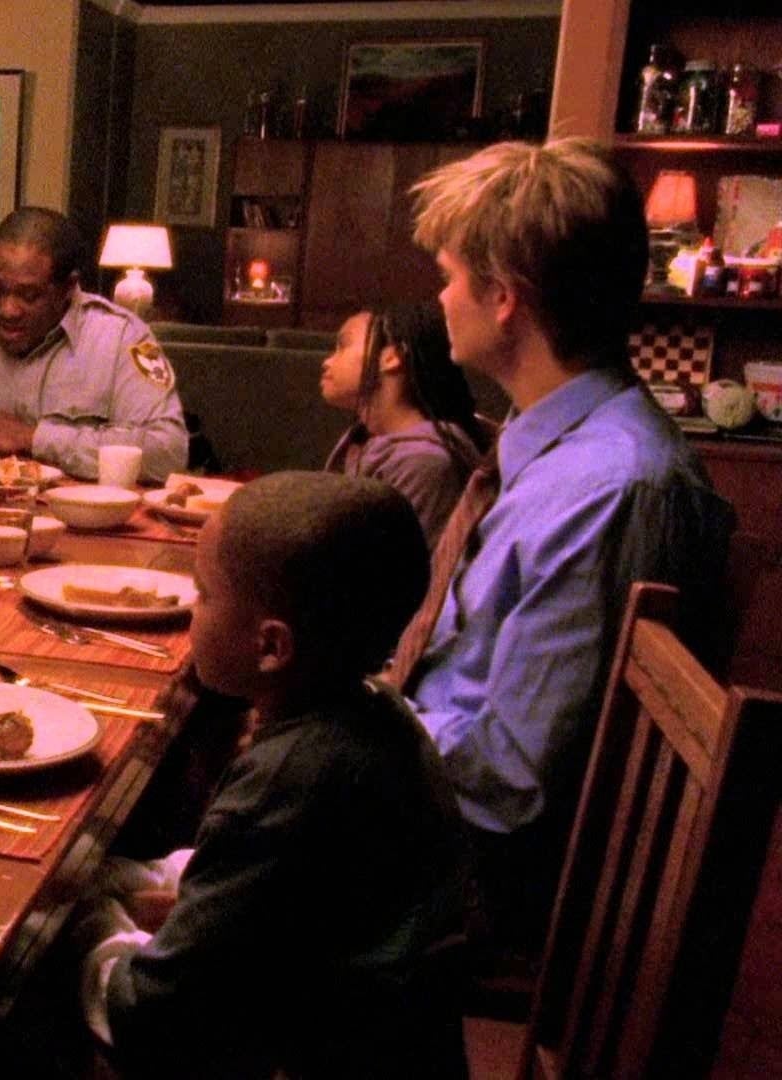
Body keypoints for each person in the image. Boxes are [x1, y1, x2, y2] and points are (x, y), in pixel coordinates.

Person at [396, 139, 734, 950]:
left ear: (503, 298)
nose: (440, 298)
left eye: (449, 276)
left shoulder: (614, 487)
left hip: (477, 877)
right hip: (440, 823)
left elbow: (511, 778)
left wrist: (363, 724)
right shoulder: (550, 448)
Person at [72, 472, 469, 1077]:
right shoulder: (381, 714)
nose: (191, 610)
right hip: (379, 1028)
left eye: (203, 594)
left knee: (24, 989)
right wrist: (128, 880)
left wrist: (89, 919)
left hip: (305, 1058)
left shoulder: (289, 780)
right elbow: (268, 882)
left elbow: (147, 1014)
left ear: (271, 647)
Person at [0, 207, 188, 482]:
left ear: (68, 288)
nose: (8, 310)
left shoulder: (122, 338)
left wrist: (34, 439)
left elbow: (168, 450)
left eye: (29, 296)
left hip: (81, 521)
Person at [320, 301, 490, 542]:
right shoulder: (362, 440)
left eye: (343, 346)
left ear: (392, 357)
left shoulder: (425, 463)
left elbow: (399, 565)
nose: (327, 361)